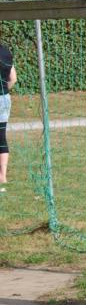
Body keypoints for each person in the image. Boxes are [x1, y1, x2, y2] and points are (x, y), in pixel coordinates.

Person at [0, 44, 17, 193]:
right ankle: (3, 176)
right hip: (4, 99)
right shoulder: (6, 52)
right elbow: (13, 79)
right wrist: (4, 90)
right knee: (1, 137)